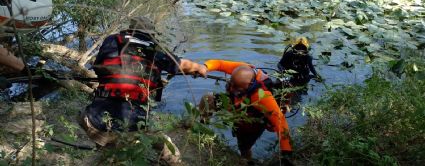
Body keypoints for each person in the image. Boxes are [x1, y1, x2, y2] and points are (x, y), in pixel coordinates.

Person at [79, 16, 208, 147]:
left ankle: (106, 152)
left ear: (130, 29)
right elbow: (182, 65)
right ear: (150, 34)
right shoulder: (155, 49)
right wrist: (200, 68)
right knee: (167, 149)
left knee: (104, 136)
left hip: (93, 123)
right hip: (131, 129)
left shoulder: (112, 40)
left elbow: (100, 67)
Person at [199, 60, 292, 161]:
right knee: (207, 99)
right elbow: (220, 64)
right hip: (235, 104)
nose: (232, 89)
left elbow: (280, 122)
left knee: (243, 148)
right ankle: (203, 128)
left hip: (251, 120)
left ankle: (247, 160)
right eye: (231, 84)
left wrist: (286, 152)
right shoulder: (241, 69)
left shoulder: (262, 96)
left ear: (250, 85)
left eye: (237, 89)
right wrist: (204, 67)